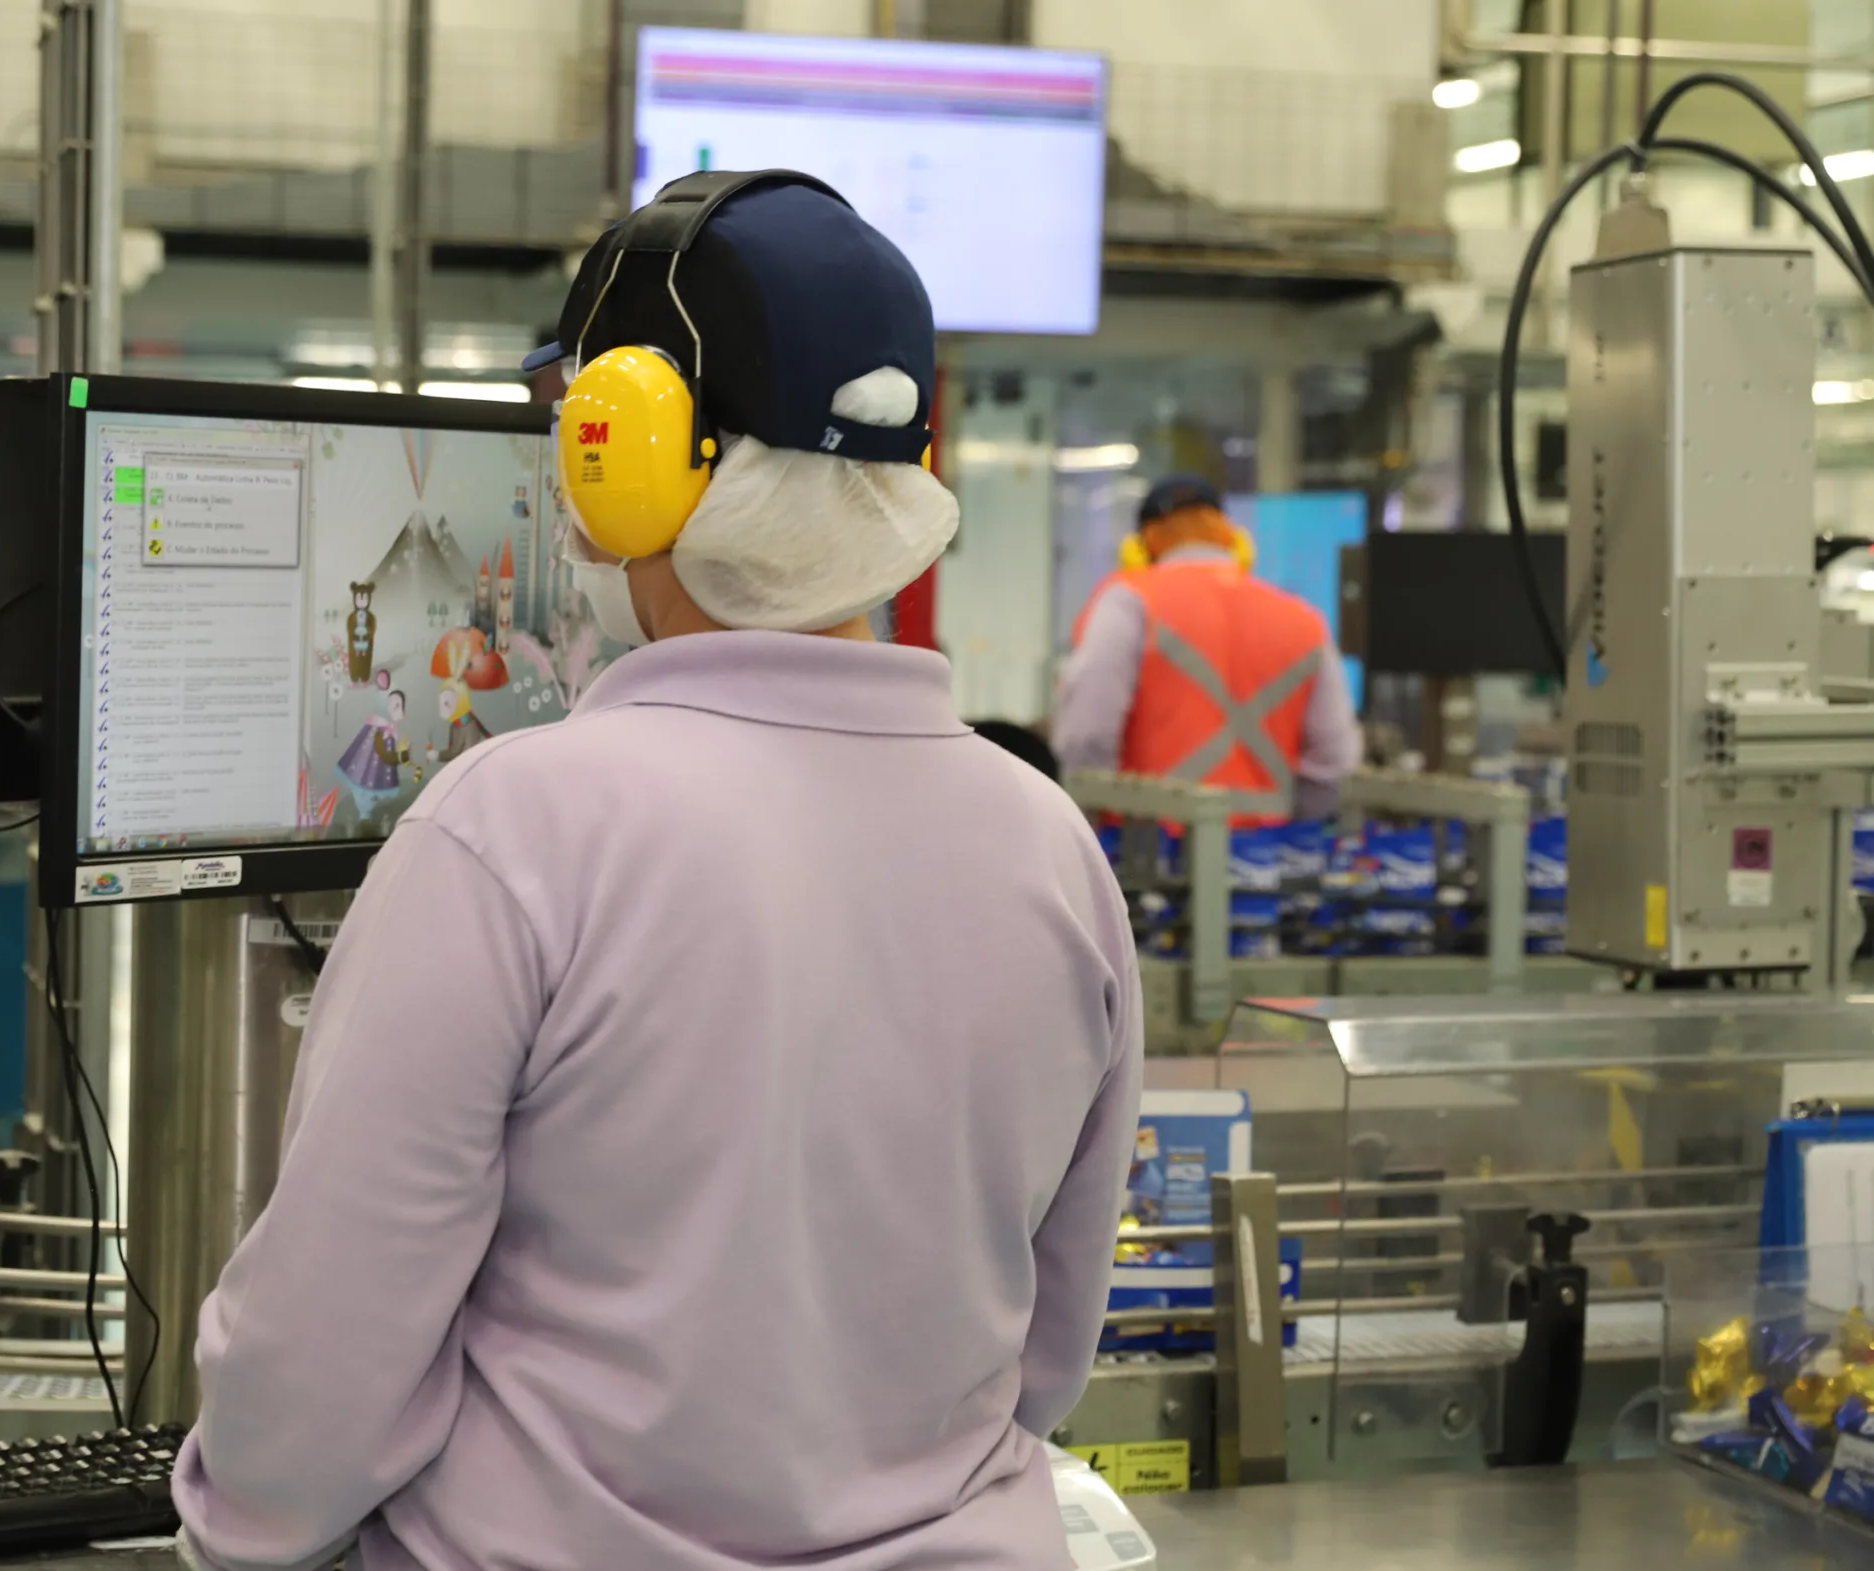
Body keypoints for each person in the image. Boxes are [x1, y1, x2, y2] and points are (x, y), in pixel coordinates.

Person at [171, 172, 1144, 1571]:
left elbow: (319, 1370)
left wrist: (230, 1524)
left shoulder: (512, 830)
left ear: (624, 451)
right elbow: (1044, 1358)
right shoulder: (1053, 846)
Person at [1053, 474, 1361, 818]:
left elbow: (1086, 737)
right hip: (1267, 857)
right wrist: (1289, 836)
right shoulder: (1305, 620)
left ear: (1142, 546)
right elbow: (1335, 762)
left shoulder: (1131, 602)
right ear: (1233, 539)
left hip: (1147, 854)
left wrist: (1089, 828)